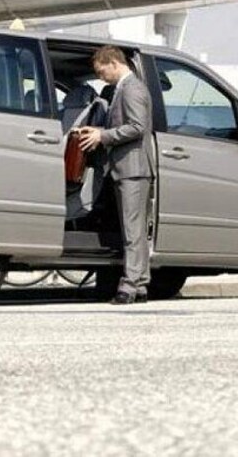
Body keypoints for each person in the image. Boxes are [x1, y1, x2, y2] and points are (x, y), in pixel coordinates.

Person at [78, 46, 155, 304]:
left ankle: (129, 286)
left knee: (132, 231)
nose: (101, 78)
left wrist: (103, 135)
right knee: (136, 230)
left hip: (133, 170)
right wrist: (99, 130)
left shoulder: (131, 88)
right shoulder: (123, 88)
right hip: (129, 169)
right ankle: (141, 284)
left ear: (113, 63)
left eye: (101, 72)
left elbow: (137, 127)